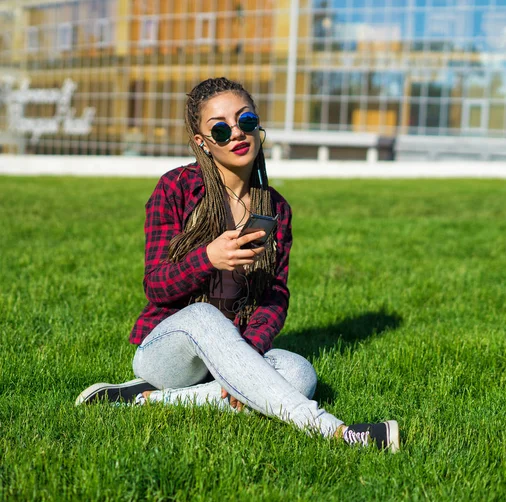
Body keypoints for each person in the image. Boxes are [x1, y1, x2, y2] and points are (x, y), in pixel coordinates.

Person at [75, 77, 399, 452]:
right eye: (220, 129)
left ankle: (145, 399)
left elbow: (276, 295)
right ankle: (338, 432)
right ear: (203, 142)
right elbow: (156, 285)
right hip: (168, 353)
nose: (237, 135)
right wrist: (208, 258)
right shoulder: (176, 188)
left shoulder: (274, 207)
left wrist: (245, 356)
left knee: (299, 372)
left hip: (232, 350)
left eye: (245, 121)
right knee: (204, 318)